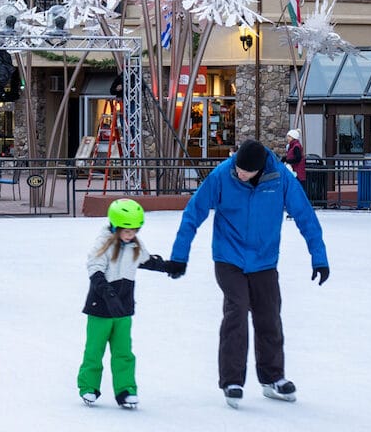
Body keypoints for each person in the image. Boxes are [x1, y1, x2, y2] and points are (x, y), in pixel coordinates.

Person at [163, 139, 329, 408]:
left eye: (245, 172)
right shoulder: (222, 175)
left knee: (269, 317)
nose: (239, 174)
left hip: (264, 260)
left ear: (260, 168)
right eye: (237, 168)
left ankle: (273, 378)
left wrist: (319, 257)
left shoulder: (280, 178)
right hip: (228, 258)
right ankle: (232, 380)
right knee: (236, 311)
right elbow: (194, 212)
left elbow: (305, 216)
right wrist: (179, 256)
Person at [78, 198, 172, 409]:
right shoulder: (103, 243)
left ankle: (126, 390)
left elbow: (147, 260)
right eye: (127, 230)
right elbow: (94, 269)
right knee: (94, 350)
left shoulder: (134, 244)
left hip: (123, 309)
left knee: (124, 352)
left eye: (135, 230)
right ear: (115, 225)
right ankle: (88, 387)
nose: (131, 234)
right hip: (100, 308)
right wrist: (108, 295)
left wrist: (168, 267)